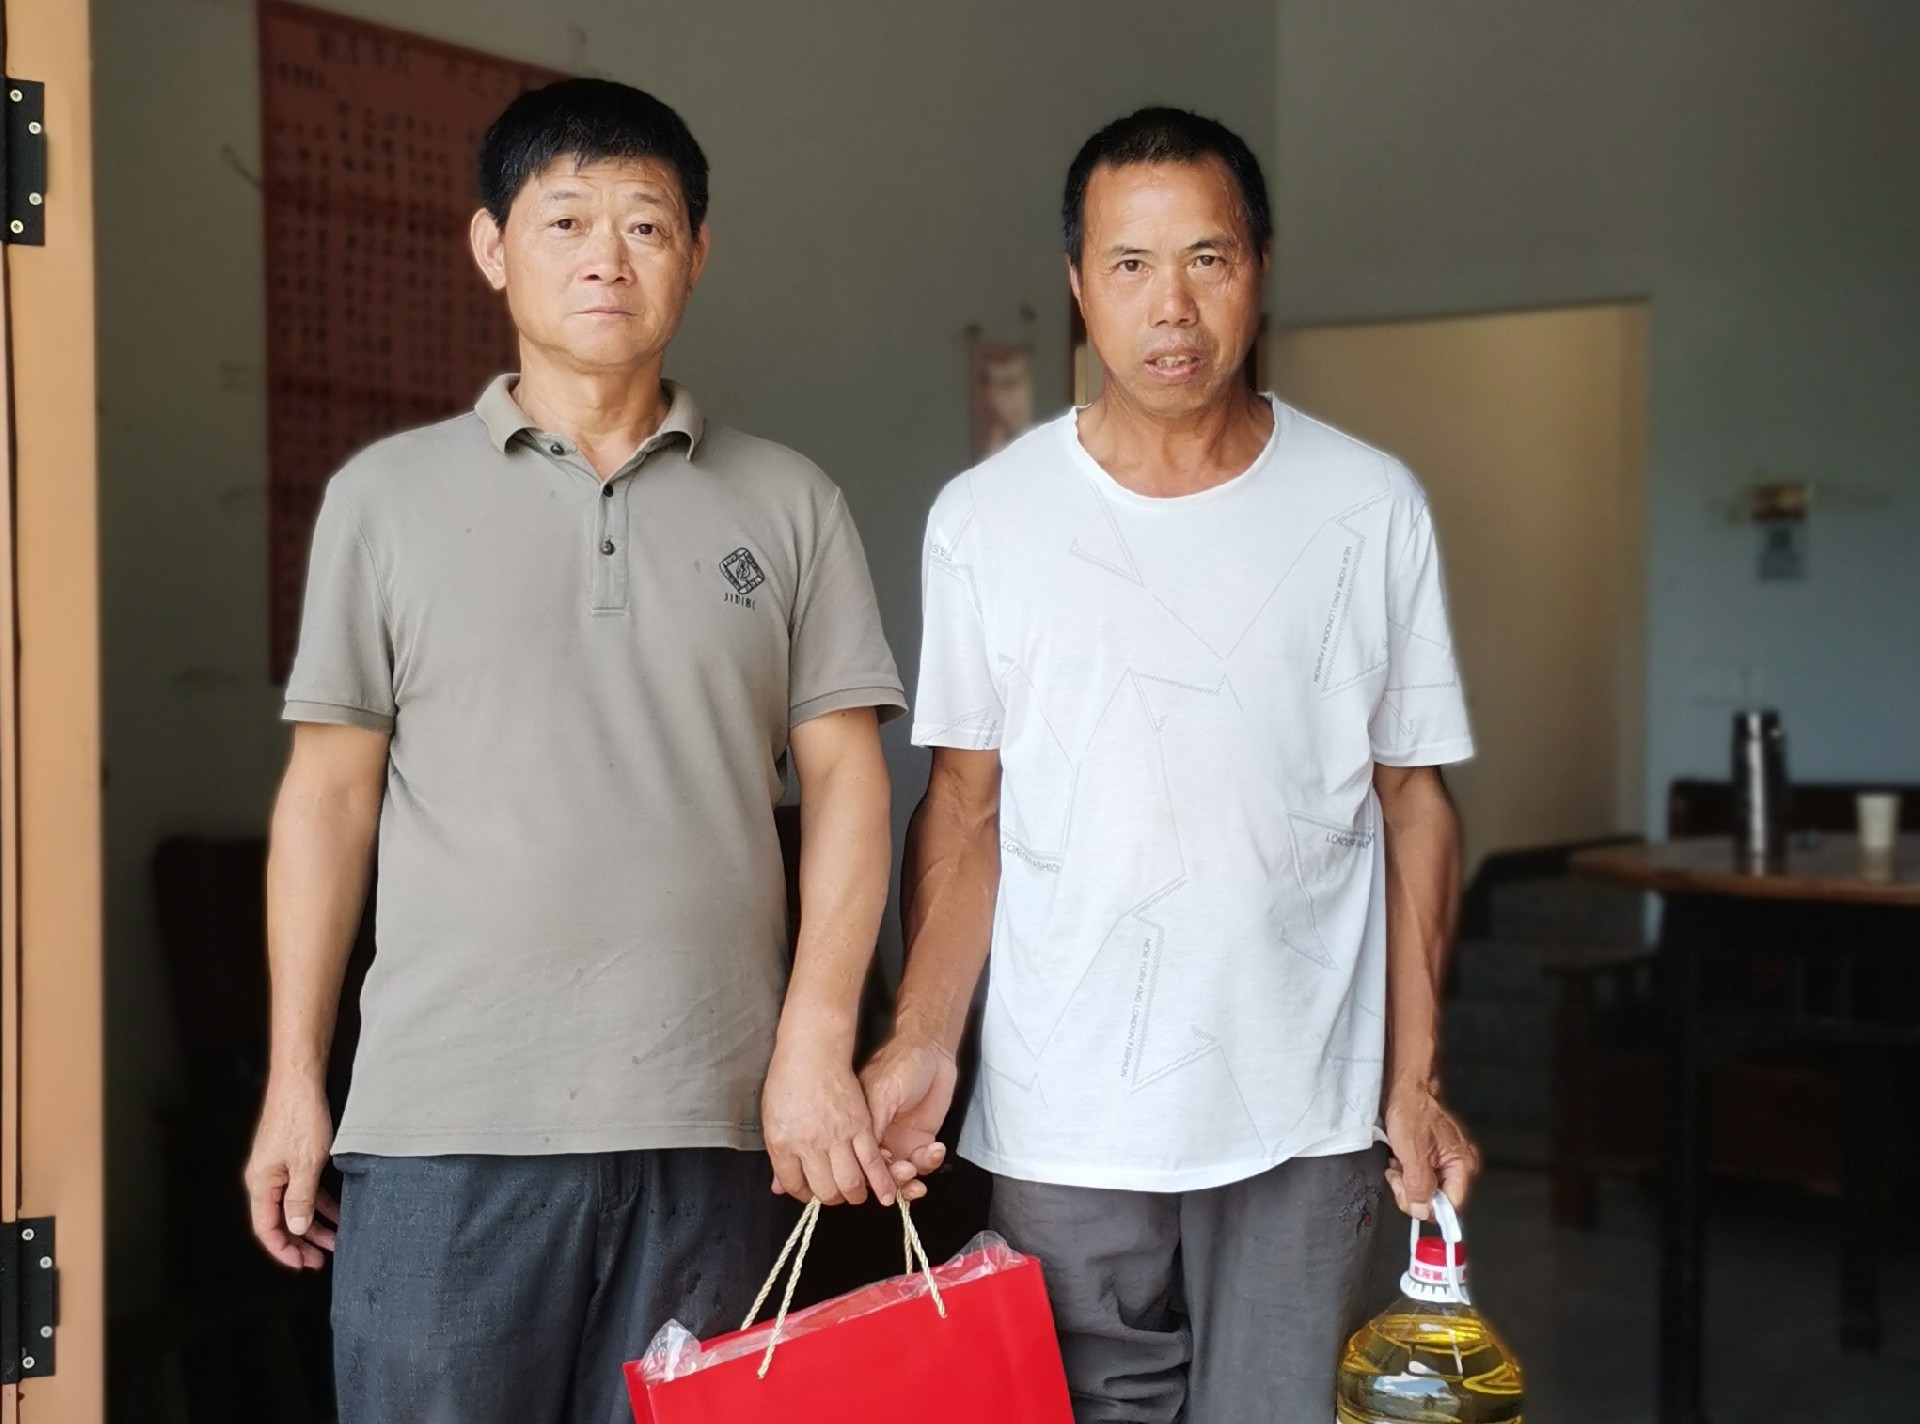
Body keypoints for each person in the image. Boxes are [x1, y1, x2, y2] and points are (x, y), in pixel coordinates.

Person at [243, 78, 909, 1424]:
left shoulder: (790, 502)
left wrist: (816, 1040)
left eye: (646, 225)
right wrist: (295, 1081)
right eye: (565, 221)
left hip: (713, 1125)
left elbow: (847, 779)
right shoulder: (385, 500)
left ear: (696, 255)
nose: (608, 256)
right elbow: (327, 801)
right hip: (444, 1131)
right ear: (492, 248)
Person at [861, 107, 1481, 1424]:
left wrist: (1413, 1080)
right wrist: (922, 1041)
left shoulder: (1370, 505)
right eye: (1131, 265)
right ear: (1079, 287)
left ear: (1260, 267)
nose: (1174, 306)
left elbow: (1414, 801)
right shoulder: (986, 520)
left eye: (1209, 258)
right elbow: (964, 809)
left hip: (1307, 1106)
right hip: (1066, 1108)